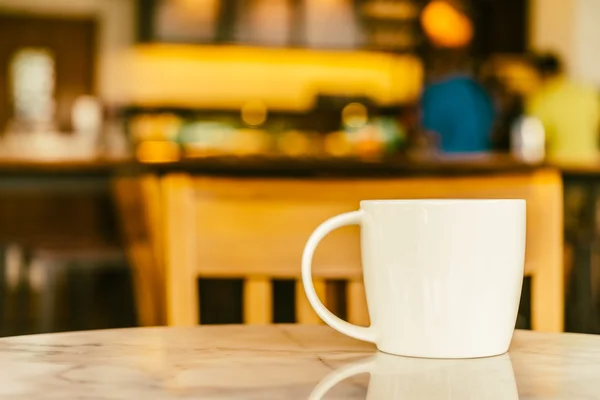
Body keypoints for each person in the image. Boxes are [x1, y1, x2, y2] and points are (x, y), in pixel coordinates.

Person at [526, 53, 600, 162]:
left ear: (541, 75)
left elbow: (535, 142)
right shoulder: (587, 92)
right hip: (591, 165)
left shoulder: (540, 99)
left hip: (558, 167)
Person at [420, 50, 495, 153]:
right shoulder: (477, 90)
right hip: (481, 159)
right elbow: (491, 126)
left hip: (446, 162)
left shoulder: (436, 92)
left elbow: (429, 134)